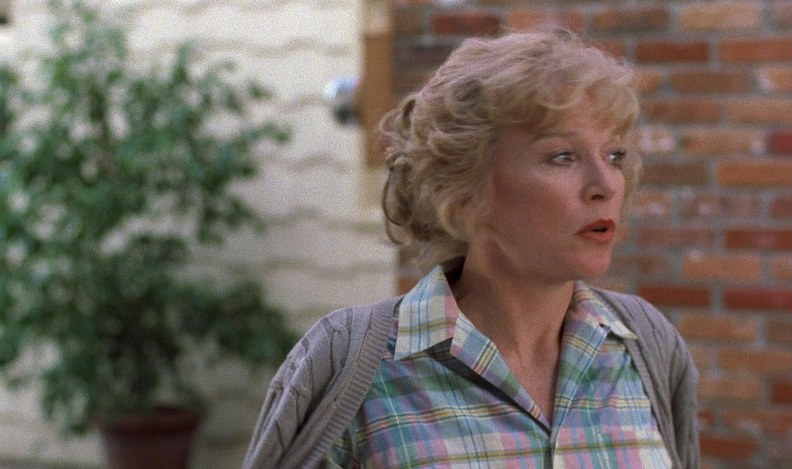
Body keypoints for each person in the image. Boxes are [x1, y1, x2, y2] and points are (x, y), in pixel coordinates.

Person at [243, 30, 699, 469]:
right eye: (563, 157)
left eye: (614, 156)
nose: (606, 185)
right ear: (464, 190)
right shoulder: (348, 363)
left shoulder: (646, 346)